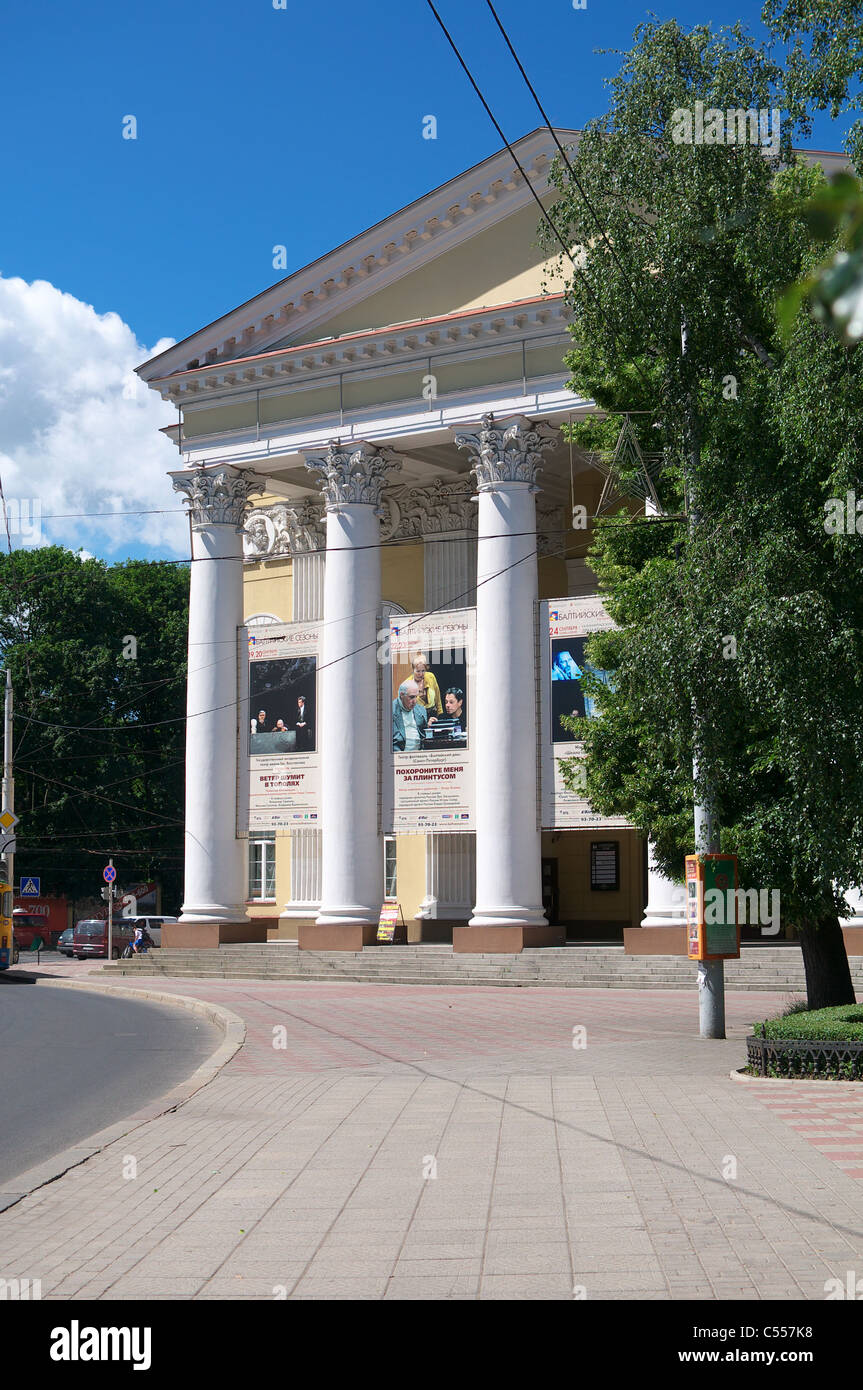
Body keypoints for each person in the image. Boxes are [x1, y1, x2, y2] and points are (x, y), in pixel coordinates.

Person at [393, 679, 428, 751]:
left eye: (416, 697)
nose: (415, 701)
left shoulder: (421, 710)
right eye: (411, 697)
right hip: (400, 754)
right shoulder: (390, 711)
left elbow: (425, 735)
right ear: (402, 695)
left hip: (420, 754)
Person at [411, 652, 442, 720]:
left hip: (434, 715)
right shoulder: (408, 683)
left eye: (423, 671)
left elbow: (438, 697)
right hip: (418, 718)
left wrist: (440, 714)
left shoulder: (431, 676)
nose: (421, 674)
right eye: (418, 671)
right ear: (413, 669)